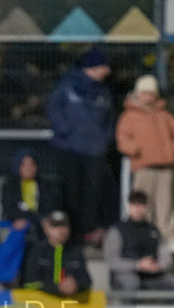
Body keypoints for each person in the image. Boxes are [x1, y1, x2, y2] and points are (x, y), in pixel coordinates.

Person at [47, 47, 117, 246]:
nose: (107, 71)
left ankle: (88, 232)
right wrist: (66, 130)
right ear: (93, 67)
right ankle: (71, 232)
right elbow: (54, 108)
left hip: (95, 151)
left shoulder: (103, 93)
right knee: (70, 192)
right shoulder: (67, 86)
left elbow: (109, 119)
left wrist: (105, 139)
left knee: (92, 194)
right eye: (104, 66)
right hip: (69, 149)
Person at [116, 74, 174, 254]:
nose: (147, 97)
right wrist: (136, 149)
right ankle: (143, 235)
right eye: (144, 93)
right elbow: (122, 138)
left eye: (150, 93)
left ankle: (168, 235)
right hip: (143, 166)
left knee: (165, 203)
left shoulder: (165, 115)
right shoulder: (129, 116)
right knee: (143, 202)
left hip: (165, 166)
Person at [103, 191, 174, 291]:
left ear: (146, 207)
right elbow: (113, 261)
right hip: (126, 274)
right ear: (128, 206)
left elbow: (165, 254)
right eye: (134, 204)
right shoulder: (116, 231)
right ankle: (128, 307)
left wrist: (158, 266)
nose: (138, 209)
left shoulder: (153, 230)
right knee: (131, 283)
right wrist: (138, 265)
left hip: (151, 275)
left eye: (141, 204)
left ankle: (167, 307)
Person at [0, 149, 42, 288]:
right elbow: (9, 209)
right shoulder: (10, 186)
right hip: (15, 227)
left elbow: (47, 209)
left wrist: (30, 218)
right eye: (24, 164)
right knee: (15, 235)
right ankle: (7, 278)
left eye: (32, 164)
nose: (28, 168)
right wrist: (26, 218)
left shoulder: (45, 186)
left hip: (39, 226)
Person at [20, 211, 92, 297]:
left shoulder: (75, 251)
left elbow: (86, 282)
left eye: (64, 226)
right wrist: (56, 288)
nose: (61, 230)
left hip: (69, 306)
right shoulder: (37, 252)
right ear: (46, 228)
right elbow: (29, 283)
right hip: (42, 305)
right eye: (56, 226)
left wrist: (75, 286)